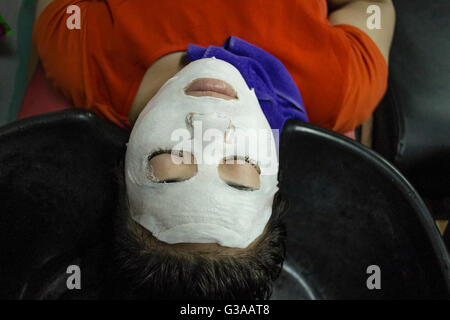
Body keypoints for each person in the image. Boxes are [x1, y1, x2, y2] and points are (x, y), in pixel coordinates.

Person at [27, 0, 395, 299]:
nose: (211, 126)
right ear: (275, 177)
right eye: (238, 163)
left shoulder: (79, 50)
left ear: (123, 169)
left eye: (170, 161)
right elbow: (371, 6)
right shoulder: (340, 85)